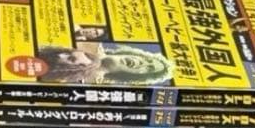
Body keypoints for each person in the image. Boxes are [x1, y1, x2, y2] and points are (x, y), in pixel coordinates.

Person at [38, 43, 172, 85]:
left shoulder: (92, 87)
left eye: (149, 68)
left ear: (138, 76)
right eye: (148, 60)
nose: (142, 63)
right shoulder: (90, 41)